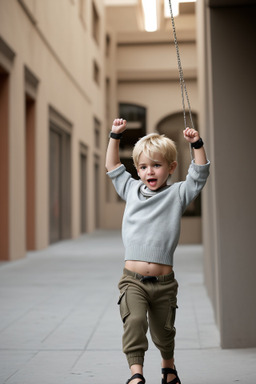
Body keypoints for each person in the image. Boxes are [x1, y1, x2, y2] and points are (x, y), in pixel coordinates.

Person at [105, 118, 210, 384]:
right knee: (135, 321)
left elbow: (199, 173)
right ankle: (136, 375)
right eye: (143, 167)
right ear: (137, 170)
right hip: (133, 280)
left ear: (171, 167)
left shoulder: (177, 194)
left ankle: (168, 369)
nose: (149, 172)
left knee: (164, 332)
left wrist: (196, 143)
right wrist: (115, 136)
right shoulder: (131, 190)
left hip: (164, 282)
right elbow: (112, 166)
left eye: (156, 165)